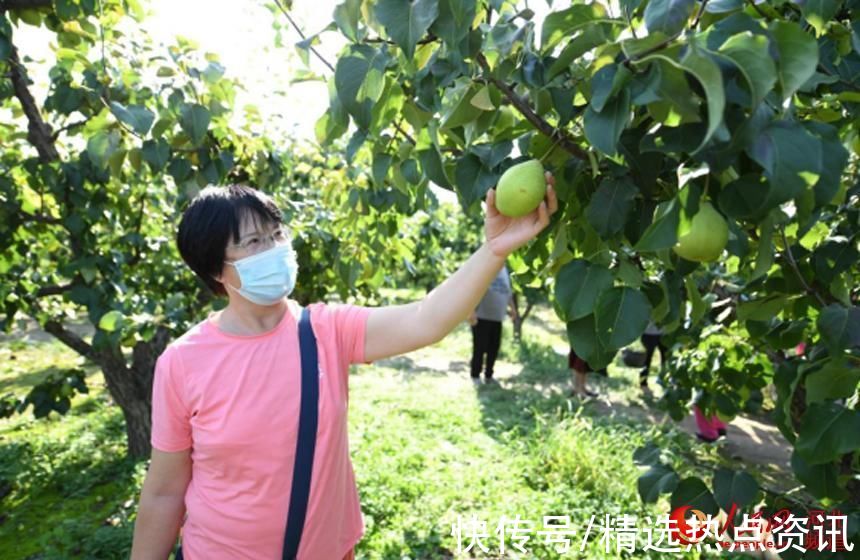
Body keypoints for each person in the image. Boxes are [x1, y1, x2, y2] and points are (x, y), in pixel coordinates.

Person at [130, 177, 557, 560]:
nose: (275, 249)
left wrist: (493, 249)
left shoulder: (323, 330)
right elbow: (166, 492)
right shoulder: (184, 362)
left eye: (277, 234)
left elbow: (428, 318)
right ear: (213, 268)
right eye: (254, 242)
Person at [467, 264, 517, 384]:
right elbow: (474, 289)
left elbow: (508, 292)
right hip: (482, 316)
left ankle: (489, 375)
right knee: (480, 347)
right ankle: (475, 375)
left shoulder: (504, 270)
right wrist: (471, 310)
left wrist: (513, 309)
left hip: (497, 317)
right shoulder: (485, 266)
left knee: (494, 347)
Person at [639, 321, 668, 392]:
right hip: (648, 333)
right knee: (646, 360)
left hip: (664, 333)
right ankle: (643, 384)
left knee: (666, 359)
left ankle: (664, 381)